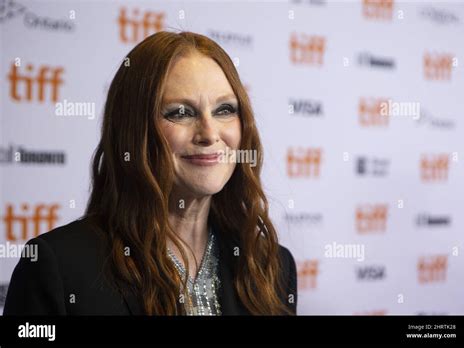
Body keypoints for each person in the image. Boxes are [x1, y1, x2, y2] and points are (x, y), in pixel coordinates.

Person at [3, 31, 297, 315]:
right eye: (181, 112)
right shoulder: (58, 267)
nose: (209, 133)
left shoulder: (271, 267)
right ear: (135, 131)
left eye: (224, 110)